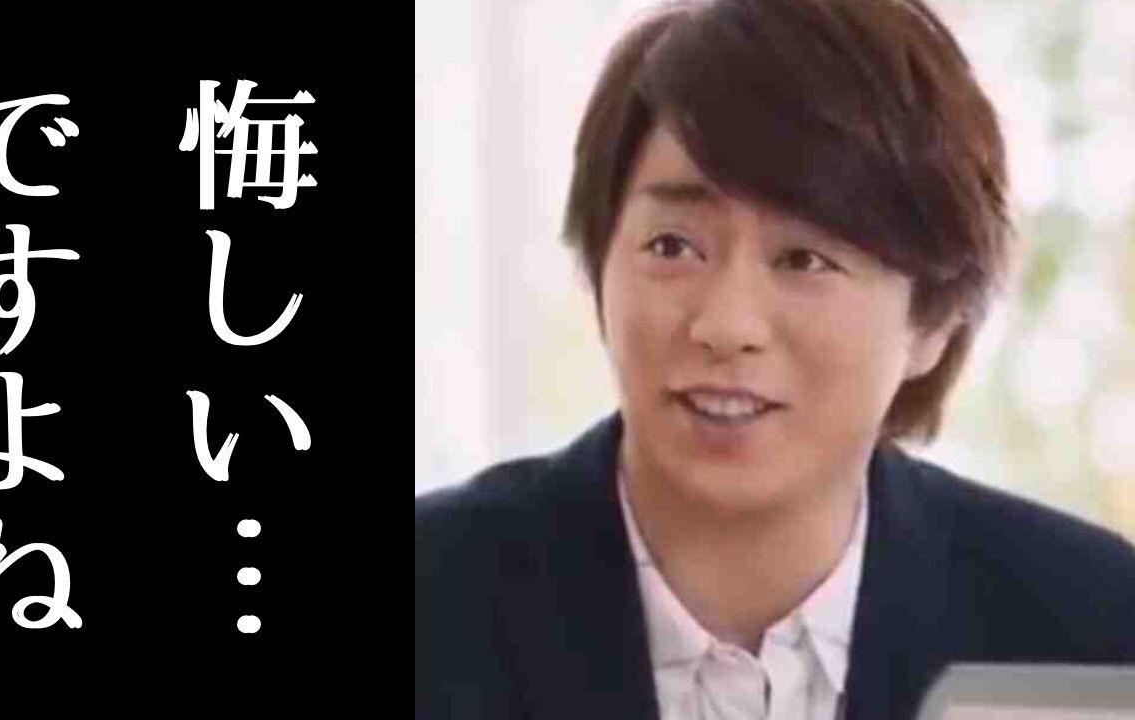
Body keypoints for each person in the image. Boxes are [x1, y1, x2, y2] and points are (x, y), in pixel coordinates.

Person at [415, 1, 1135, 718]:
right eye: (673, 246)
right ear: (599, 268)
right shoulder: (437, 596)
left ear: (934, 321)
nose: (727, 325)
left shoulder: (1090, 625)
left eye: (804, 259)